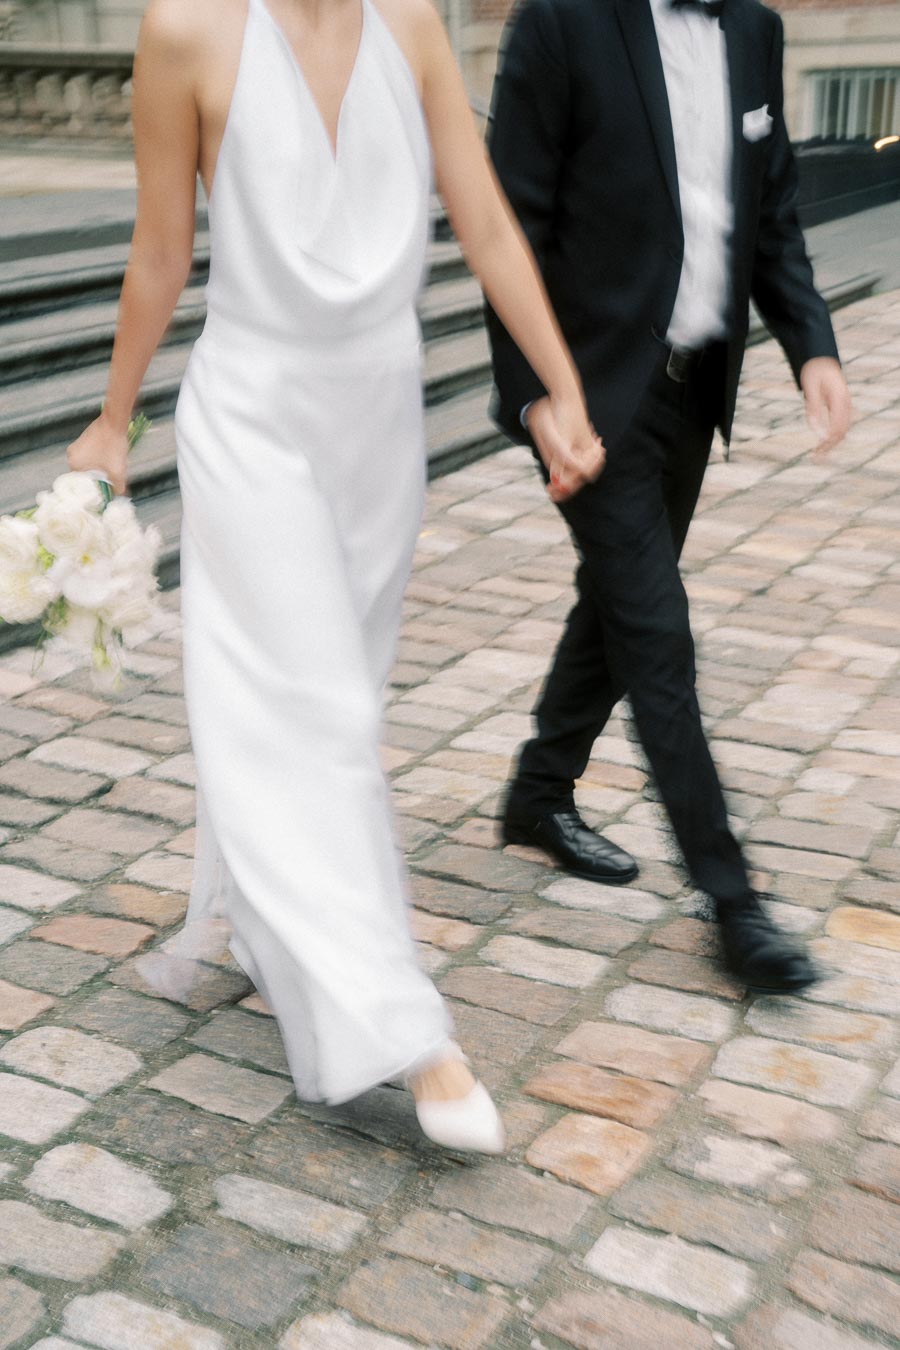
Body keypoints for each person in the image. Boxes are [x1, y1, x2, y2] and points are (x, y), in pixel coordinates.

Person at [64, 0, 605, 1153]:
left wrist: (560, 386)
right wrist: (112, 421)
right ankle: (408, 1033)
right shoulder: (185, 29)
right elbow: (161, 249)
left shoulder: (413, 23)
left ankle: (275, 929)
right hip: (252, 417)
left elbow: (486, 220)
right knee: (315, 713)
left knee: (335, 703)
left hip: (377, 424)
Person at [485, 0, 852, 991]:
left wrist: (812, 345)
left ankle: (539, 791)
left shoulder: (754, 30)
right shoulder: (559, 22)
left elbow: (769, 212)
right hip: (591, 393)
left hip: (693, 392)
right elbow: (507, 226)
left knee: (617, 606)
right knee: (657, 634)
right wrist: (536, 396)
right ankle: (734, 904)